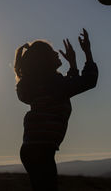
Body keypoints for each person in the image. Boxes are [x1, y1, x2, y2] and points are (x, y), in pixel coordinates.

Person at [14, 28, 98, 191]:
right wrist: (87, 52)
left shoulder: (41, 86)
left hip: (32, 149)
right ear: (44, 61)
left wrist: (73, 65)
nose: (57, 54)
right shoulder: (54, 85)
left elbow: (69, 85)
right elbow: (89, 81)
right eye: (52, 52)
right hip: (41, 151)